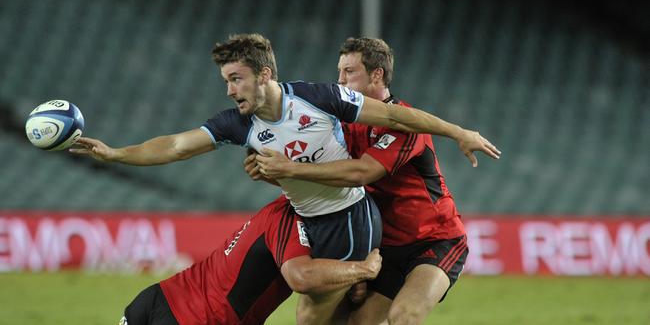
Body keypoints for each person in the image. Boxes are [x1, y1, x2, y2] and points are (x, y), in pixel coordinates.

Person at [71, 33, 498, 324]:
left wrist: (459, 131)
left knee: (367, 316)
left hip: (386, 228)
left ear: (264, 75)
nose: (230, 90)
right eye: (226, 81)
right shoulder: (239, 124)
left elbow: (376, 144)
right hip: (345, 227)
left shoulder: (319, 100)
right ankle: (359, 281)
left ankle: (360, 277)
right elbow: (178, 145)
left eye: (236, 79)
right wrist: (116, 153)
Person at [249, 37, 500, 325]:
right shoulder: (341, 123)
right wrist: (271, 173)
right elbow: (323, 179)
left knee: (403, 317)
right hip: (384, 247)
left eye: (349, 72)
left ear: (377, 75)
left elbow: (362, 173)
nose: (339, 80)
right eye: (339, 71)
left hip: (435, 238)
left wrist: (290, 169)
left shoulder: (406, 124)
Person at [118, 195, 383, 325]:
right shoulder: (289, 219)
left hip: (156, 297)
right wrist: (364, 269)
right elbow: (302, 277)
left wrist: (351, 277)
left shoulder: (279, 208)